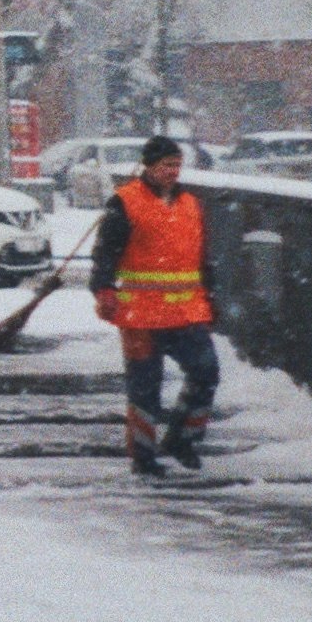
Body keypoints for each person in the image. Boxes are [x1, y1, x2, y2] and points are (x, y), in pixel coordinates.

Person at [87, 134, 220, 477]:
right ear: (148, 166)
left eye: (177, 165)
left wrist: (211, 297)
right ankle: (143, 456)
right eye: (166, 165)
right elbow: (105, 254)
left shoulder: (191, 204)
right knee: (145, 388)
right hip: (141, 316)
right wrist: (103, 289)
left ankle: (182, 438)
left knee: (206, 373)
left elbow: (202, 259)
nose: (173, 171)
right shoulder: (125, 203)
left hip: (187, 313)